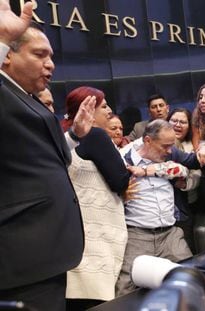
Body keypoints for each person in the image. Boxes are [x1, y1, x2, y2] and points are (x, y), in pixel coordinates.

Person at [0, 3, 96, 310]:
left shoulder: (28, 100)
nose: (50, 64)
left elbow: (39, 158)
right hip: (21, 257)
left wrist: (75, 136)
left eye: (52, 56)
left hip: (46, 255)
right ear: (8, 57)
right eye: (40, 54)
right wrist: (1, 37)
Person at [61, 86, 132, 310]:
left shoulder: (64, 136)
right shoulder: (95, 135)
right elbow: (120, 180)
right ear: (87, 109)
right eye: (103, 106)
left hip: (73, 238)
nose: (109, 110)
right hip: (97, 238)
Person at [116, 120, 193, 296]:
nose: (169, 150)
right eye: (165, 146)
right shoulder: (122, 159)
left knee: (190, 277)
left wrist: (148, 170)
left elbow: (184, 171)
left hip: (170, 233)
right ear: (148, 141)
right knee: (124, 288)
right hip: (137, 234)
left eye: (171, 146)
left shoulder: (169, 154)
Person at [168, 108, 202, 251]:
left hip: (188, 200)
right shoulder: (159, 143)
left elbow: (198, 172)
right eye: (174, 121)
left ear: (189, 126)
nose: (177, 125)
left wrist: (185, 183)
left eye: (182, 122)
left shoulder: (193, 145)